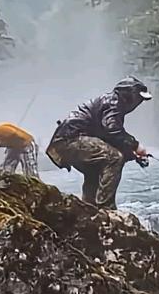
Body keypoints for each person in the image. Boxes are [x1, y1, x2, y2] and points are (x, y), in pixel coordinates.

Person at [46, 77, 152, 209]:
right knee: (114, 158)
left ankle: (90, 208)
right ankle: (106, 209)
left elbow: (109, 138)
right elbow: (112, 129)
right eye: (138, 98)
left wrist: (132, 155)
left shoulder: (112, 104)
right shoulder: (113, 102)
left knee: (97, 168)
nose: (139, 103)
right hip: (70, 140)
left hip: (65, 143)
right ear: (128, 94)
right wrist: (136, 145)